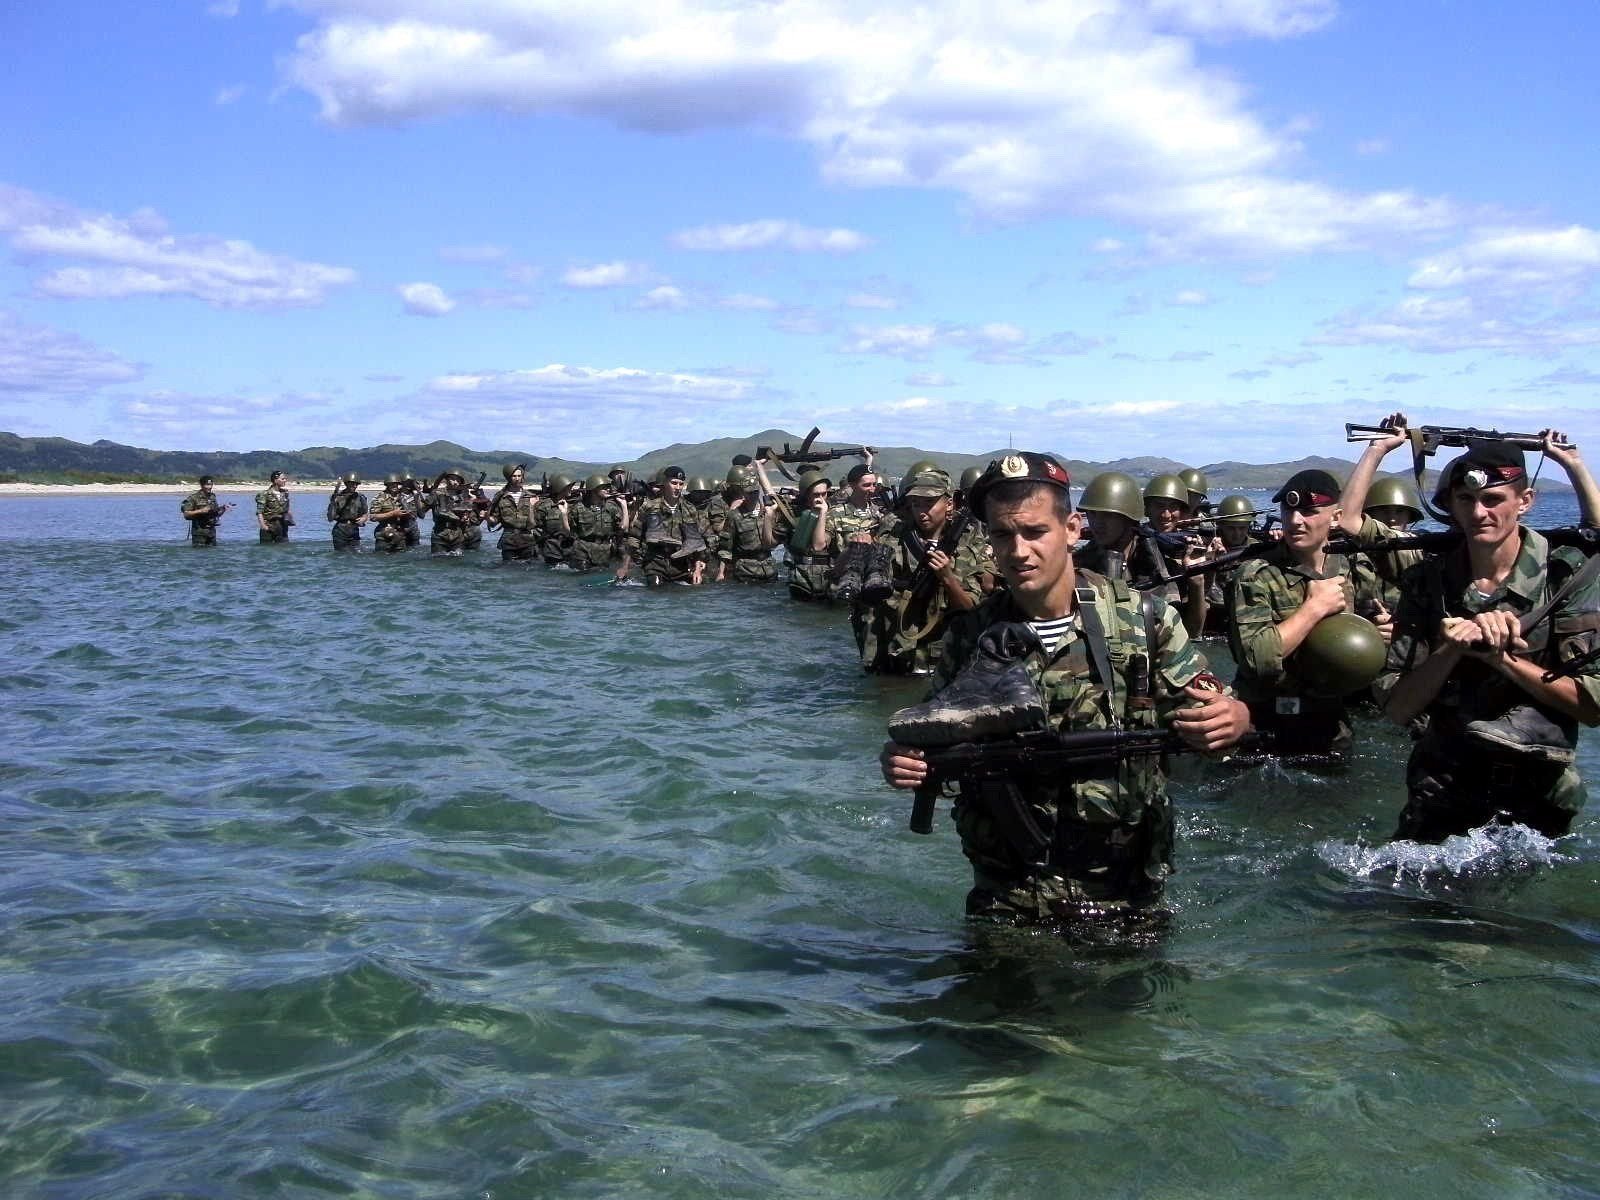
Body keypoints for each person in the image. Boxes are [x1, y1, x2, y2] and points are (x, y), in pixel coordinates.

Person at [879, 451, 1250, 927]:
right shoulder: (970, 637)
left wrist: (1234, 718)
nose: (1018, 551)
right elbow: (933, 732)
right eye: (1001, 534)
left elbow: (1211, 711)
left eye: (1035, 532)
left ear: (1073, 530)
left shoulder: (1143, 620)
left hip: (1123, 891)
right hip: (1005, 895)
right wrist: (904, 759)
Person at [1377, 439, 1600, 841]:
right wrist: (1452, 649)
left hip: (1538, 799)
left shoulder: (1566, 579)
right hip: (1442, 790)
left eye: (1493, 499)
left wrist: (1501, 659)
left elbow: (1593, 705)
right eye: (1465, 499)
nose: (1479, 512)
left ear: (1525, 500)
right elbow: (1397, 708)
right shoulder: (1428, 584)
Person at [1227, 468, 1385, 763]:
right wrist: (1313, 609)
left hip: (1330, 724)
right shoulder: (1256, 575)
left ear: (1336, 517)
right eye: (1289, 511)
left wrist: (1382, 633)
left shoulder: (1355, 567)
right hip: (1264, 722)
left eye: (1309, 511)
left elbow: (1369, 629)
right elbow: (1255, 660)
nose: (1295, 521)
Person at [851, 464, 988, 675]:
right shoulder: (894, 533)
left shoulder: (967, 540)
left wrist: (947, 577)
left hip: (942, 661)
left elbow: (971, 608)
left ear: (949, 504)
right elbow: (859, 585)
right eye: (915, 503)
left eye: (929, 503)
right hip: (895, 655)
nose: (921, 511)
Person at [616, 466, 705, 586]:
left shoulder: (690, 509)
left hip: (681, 565)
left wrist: (697, 570)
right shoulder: (650, 507)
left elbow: (696, 544)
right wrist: (625, 567)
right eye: (674, 483)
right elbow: (634, 538)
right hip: (655, 563)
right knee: (656, 589)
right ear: (665, 483)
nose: (677, 488)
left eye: (681, 484)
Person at [721, 465, 778, 584]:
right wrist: (722, 572)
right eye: (750, 492)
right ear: (743, 493)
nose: (753, 495)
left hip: (769, 569)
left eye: (756, 492)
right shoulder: (735, 516)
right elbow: (726, 548)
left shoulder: (767, 512)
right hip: (745, 572)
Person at [567, 474, 624, 572]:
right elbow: (570, 530)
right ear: (594, 489)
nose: (608, 490)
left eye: (608, 487)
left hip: (604, 551)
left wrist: (624, 506)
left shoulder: (611, 508)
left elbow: (622, 528)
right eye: (604, 488)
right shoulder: (578, 508)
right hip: (583, 550)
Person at [491, 463, 537, 562]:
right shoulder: (500, 497)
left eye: (519, 476)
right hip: (509, 541)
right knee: (508, 569)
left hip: (527, 541)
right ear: (509, 478)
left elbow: (536, 522)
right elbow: (494, 520)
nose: (517, 478)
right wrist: (487, 517)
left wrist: (532, 507)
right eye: (514, 476)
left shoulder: (530, 496)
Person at [429, 469, 475, 556]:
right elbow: (422, 510)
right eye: (453, 479)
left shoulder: (464, 496)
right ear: (447, 479)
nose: (455, 482)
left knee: (458, 562)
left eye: (458, 480)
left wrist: (466, 518)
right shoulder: (437, 493)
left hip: (457, 535)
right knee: (438, 561)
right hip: (440, 534)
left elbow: (469, 512)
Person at [533, 474, 576, 565]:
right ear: (561, 488)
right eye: (569, 487)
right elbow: (535, 527)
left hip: (570, 548)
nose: (571, 489)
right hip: (551, 549)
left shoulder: (572, 506)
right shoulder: (545, 506)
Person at [179, 476, 232, 546]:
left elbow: (216, 514)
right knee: (200, 555)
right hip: (199, 534)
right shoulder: (193, 498)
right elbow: (186, 514)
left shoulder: (212, 497)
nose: (209, 487)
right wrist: (201, 511)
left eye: (211, 485)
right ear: (201, 485)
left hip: (211, 533)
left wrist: (224, 509)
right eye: (207, 485)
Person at [369, 474, 411, 553]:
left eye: (396, 484)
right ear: (387, 485)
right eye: (391, 484)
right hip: (384, 535)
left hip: (400, 535)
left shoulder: (404, 497)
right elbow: (373, 517)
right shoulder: (380, 498)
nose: (394, 486)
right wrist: (392, 513)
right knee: (382, 557)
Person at [326, 473, 368, 551]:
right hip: (340, 530)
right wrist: (333, 503)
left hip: (354, 529)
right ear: (346, 484)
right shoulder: (337, 497)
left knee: (356, 552)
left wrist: (363, 519)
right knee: (341, 553)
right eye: (352, 484)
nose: (355, 486)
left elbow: (365, 513)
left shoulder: (360, 497)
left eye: (356, 484)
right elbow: (330, 518)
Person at [255, 470, 294, 543]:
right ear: (275, 480)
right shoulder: (264, 494)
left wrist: (290, 519)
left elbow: (287, 509)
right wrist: (263, 526)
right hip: (269, 526)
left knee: (285, 548)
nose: (285, 480)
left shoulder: (285, 493)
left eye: (285, 479)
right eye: (282, 479)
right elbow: (259, 512)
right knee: (266, 549)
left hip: (282, 526)